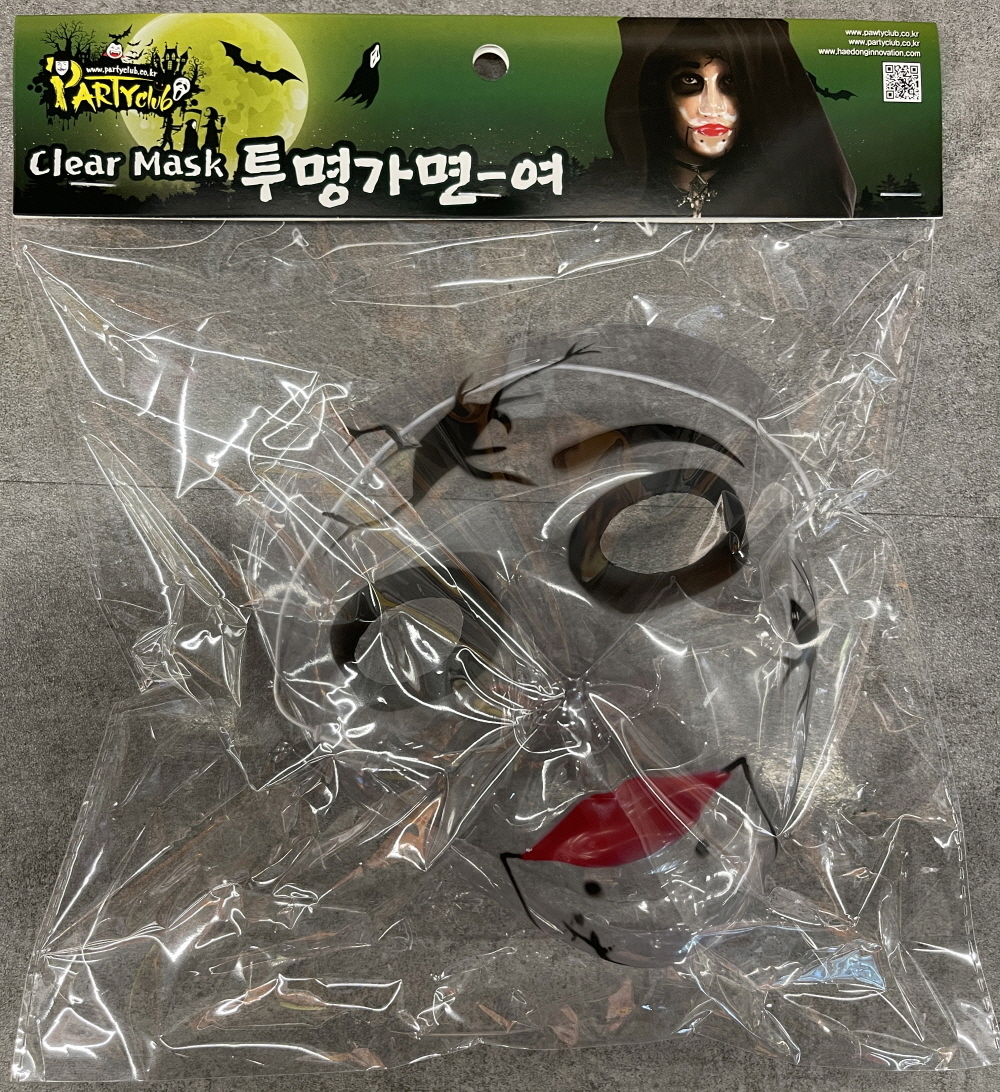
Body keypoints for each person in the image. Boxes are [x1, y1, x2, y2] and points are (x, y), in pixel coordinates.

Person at [605, 18, 856, 218]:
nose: (712, 108)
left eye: (731, 81)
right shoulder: (610, 197)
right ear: (656, 92)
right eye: (690, 80)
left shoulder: (791, 205)